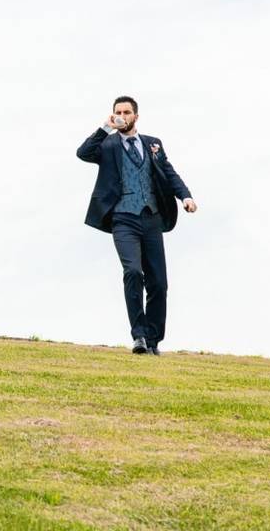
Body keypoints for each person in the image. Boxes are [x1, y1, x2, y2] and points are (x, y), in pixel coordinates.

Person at [76, 95, 197, 355]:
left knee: (159, 283)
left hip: (151, 217)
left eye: (127, 112)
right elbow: (82, 153)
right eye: (118, 112)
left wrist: (185, 196)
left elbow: (169, 172)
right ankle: (139, 336)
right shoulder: (107, 145)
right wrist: (104, 127)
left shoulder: (153, 144)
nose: (122, 115)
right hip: (123, 218)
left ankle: (153, 340)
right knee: (133, 272)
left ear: (136, 116)